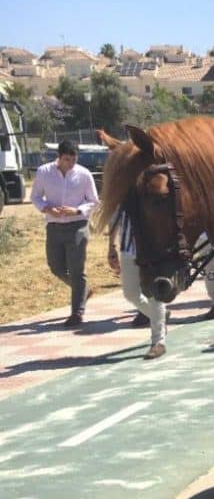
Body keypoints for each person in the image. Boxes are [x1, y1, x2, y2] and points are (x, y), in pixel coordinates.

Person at [30, 139, 98, 327]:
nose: (71, 164)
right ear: (58, 157)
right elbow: (35, 196)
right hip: (53, 227)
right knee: (56, 267)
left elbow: (94, 201)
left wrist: (77, 210)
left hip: (77, 226)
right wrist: (46, 208)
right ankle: (83, 290)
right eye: (67, 159)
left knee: (77, 270)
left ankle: (77, 312)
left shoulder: (84, 174)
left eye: (74, 160)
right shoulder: (44, 172)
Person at [109, 209, 169, 358]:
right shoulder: (121, 194)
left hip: (153, 250)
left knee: (154, 294)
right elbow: (114, 219)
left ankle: (158, 342)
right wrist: (111, 247)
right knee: (130, 294)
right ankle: (159, 316)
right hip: (127, 250)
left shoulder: (153, 189)